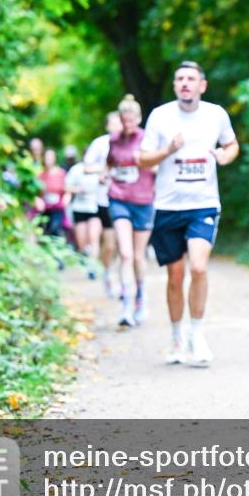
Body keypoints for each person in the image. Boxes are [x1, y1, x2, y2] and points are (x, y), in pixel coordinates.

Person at [140, 61, 239, 367]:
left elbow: (232, 144)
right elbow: (143, 160)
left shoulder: (215, 114)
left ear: (202, 85)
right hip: (168, 206)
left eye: (190, 78)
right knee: (175, 275)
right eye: (180, 78)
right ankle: (176, 337)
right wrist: (168, 150)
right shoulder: (160, 116)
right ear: (175, 85)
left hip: (203, 204)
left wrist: (225, 156)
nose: (185, 83)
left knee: (198, 267)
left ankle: (197, 334)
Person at [107, 95, 156, 327]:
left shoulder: (147, 139)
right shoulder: (114, 140)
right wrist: (105, 174)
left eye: (131, 121)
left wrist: (146, 163)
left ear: (138, 118)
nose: (127, 125)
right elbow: (110, 163)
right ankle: (126, 305)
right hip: (119, 199)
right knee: (125, 254)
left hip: (143, 200)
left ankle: (140, 297)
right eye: (123, 121)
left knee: (137, 256)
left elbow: (158, 165)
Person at [84, 112, 123, 298]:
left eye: (119, 123)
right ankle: (107, 273)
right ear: (107, 126)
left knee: (124, 245)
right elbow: (87, 166)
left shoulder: (129, 143)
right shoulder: (100, 144)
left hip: (126, 199)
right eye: (113, 123)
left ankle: (124, 282)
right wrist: (105, 170)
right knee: (110, 245)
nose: (117, 127)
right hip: (105, 200)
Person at [64, 155, 104, 279]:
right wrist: (77, 189)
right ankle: (84, 255)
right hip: (79, 208)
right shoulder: (76, 169)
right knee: (82, 241)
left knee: (93, 238)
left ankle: (92, 267)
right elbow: (66, 186)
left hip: (95, 208)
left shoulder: (100, 168)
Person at [39, 148, 66, 238]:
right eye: (47, 156)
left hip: (57, 207)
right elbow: (37, 193)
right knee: (44, 231)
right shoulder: (40, 174)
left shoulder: (61, 173)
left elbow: (67, 190)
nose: (49, 159)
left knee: (55, 229)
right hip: (44, 208)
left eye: (51, 156)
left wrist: (64, 202)